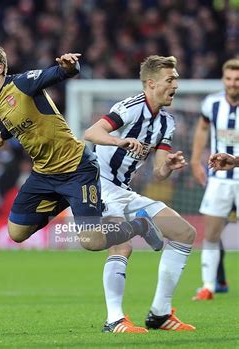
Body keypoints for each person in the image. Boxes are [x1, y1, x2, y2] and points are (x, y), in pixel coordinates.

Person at [0, 43, 163, 253]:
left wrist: (69, 67)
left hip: (77, 169)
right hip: (44, 174)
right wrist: (3, 135)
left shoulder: (22, 84)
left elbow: (58, 73)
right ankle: (71, 201)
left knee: (92, 242)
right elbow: (18, 117)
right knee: (16, 233)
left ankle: (139, 225)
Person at [84, 55, 196, 333]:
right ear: (151, 83)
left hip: (125, 190)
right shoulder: (130, 108)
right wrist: (119, 139)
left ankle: (159, 313)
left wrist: (169, 166)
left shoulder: (167, 123)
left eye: (176, 79)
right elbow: (91, 132)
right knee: (122, 245)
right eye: (170, 80)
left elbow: (158, 172)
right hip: (101, 186)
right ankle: (114, 320)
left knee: (185, 234)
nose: (176, 85)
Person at [190, 58, 239, 301]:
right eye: (229, 79)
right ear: (223, 79)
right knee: (210, 233)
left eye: (237, 79)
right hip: (219, 178)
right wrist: (195, 160)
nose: (233, 84)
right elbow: (201, 130)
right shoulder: (212, 103)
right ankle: (208, 285)